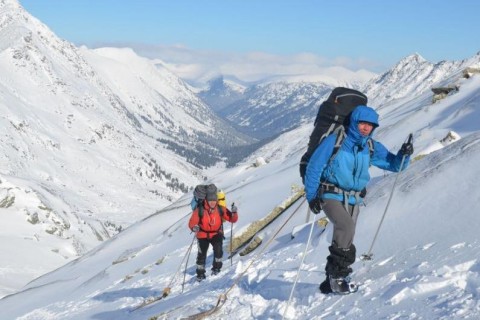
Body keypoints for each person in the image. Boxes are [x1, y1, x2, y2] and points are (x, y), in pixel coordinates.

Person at [304, 105, 413, 294]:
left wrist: (405, 154)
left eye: (370, 125)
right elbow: (314, 167)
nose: (365, 128)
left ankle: (330, 280)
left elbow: (395, 165)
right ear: (354, 122)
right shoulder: (336, 141)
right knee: (346, 227)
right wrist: (312, 196)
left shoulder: (370, 146)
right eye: (362, 123)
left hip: (354, 198)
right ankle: (337, 279)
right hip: (330, 194)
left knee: (346, 237)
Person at [188, 185, 238, 281]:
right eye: (210, 201)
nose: (212, 203)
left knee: (218, 251)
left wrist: (234, 213)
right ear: (206, 200)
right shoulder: (200, 209)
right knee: (202, 254)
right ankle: (200, 274)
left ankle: (217, 268)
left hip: (216, 233)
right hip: (202, 234)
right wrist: (194, 228)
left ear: (217, 201)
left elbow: (232, 219)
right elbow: (192, 222)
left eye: (214, 201)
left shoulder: (220, 209)